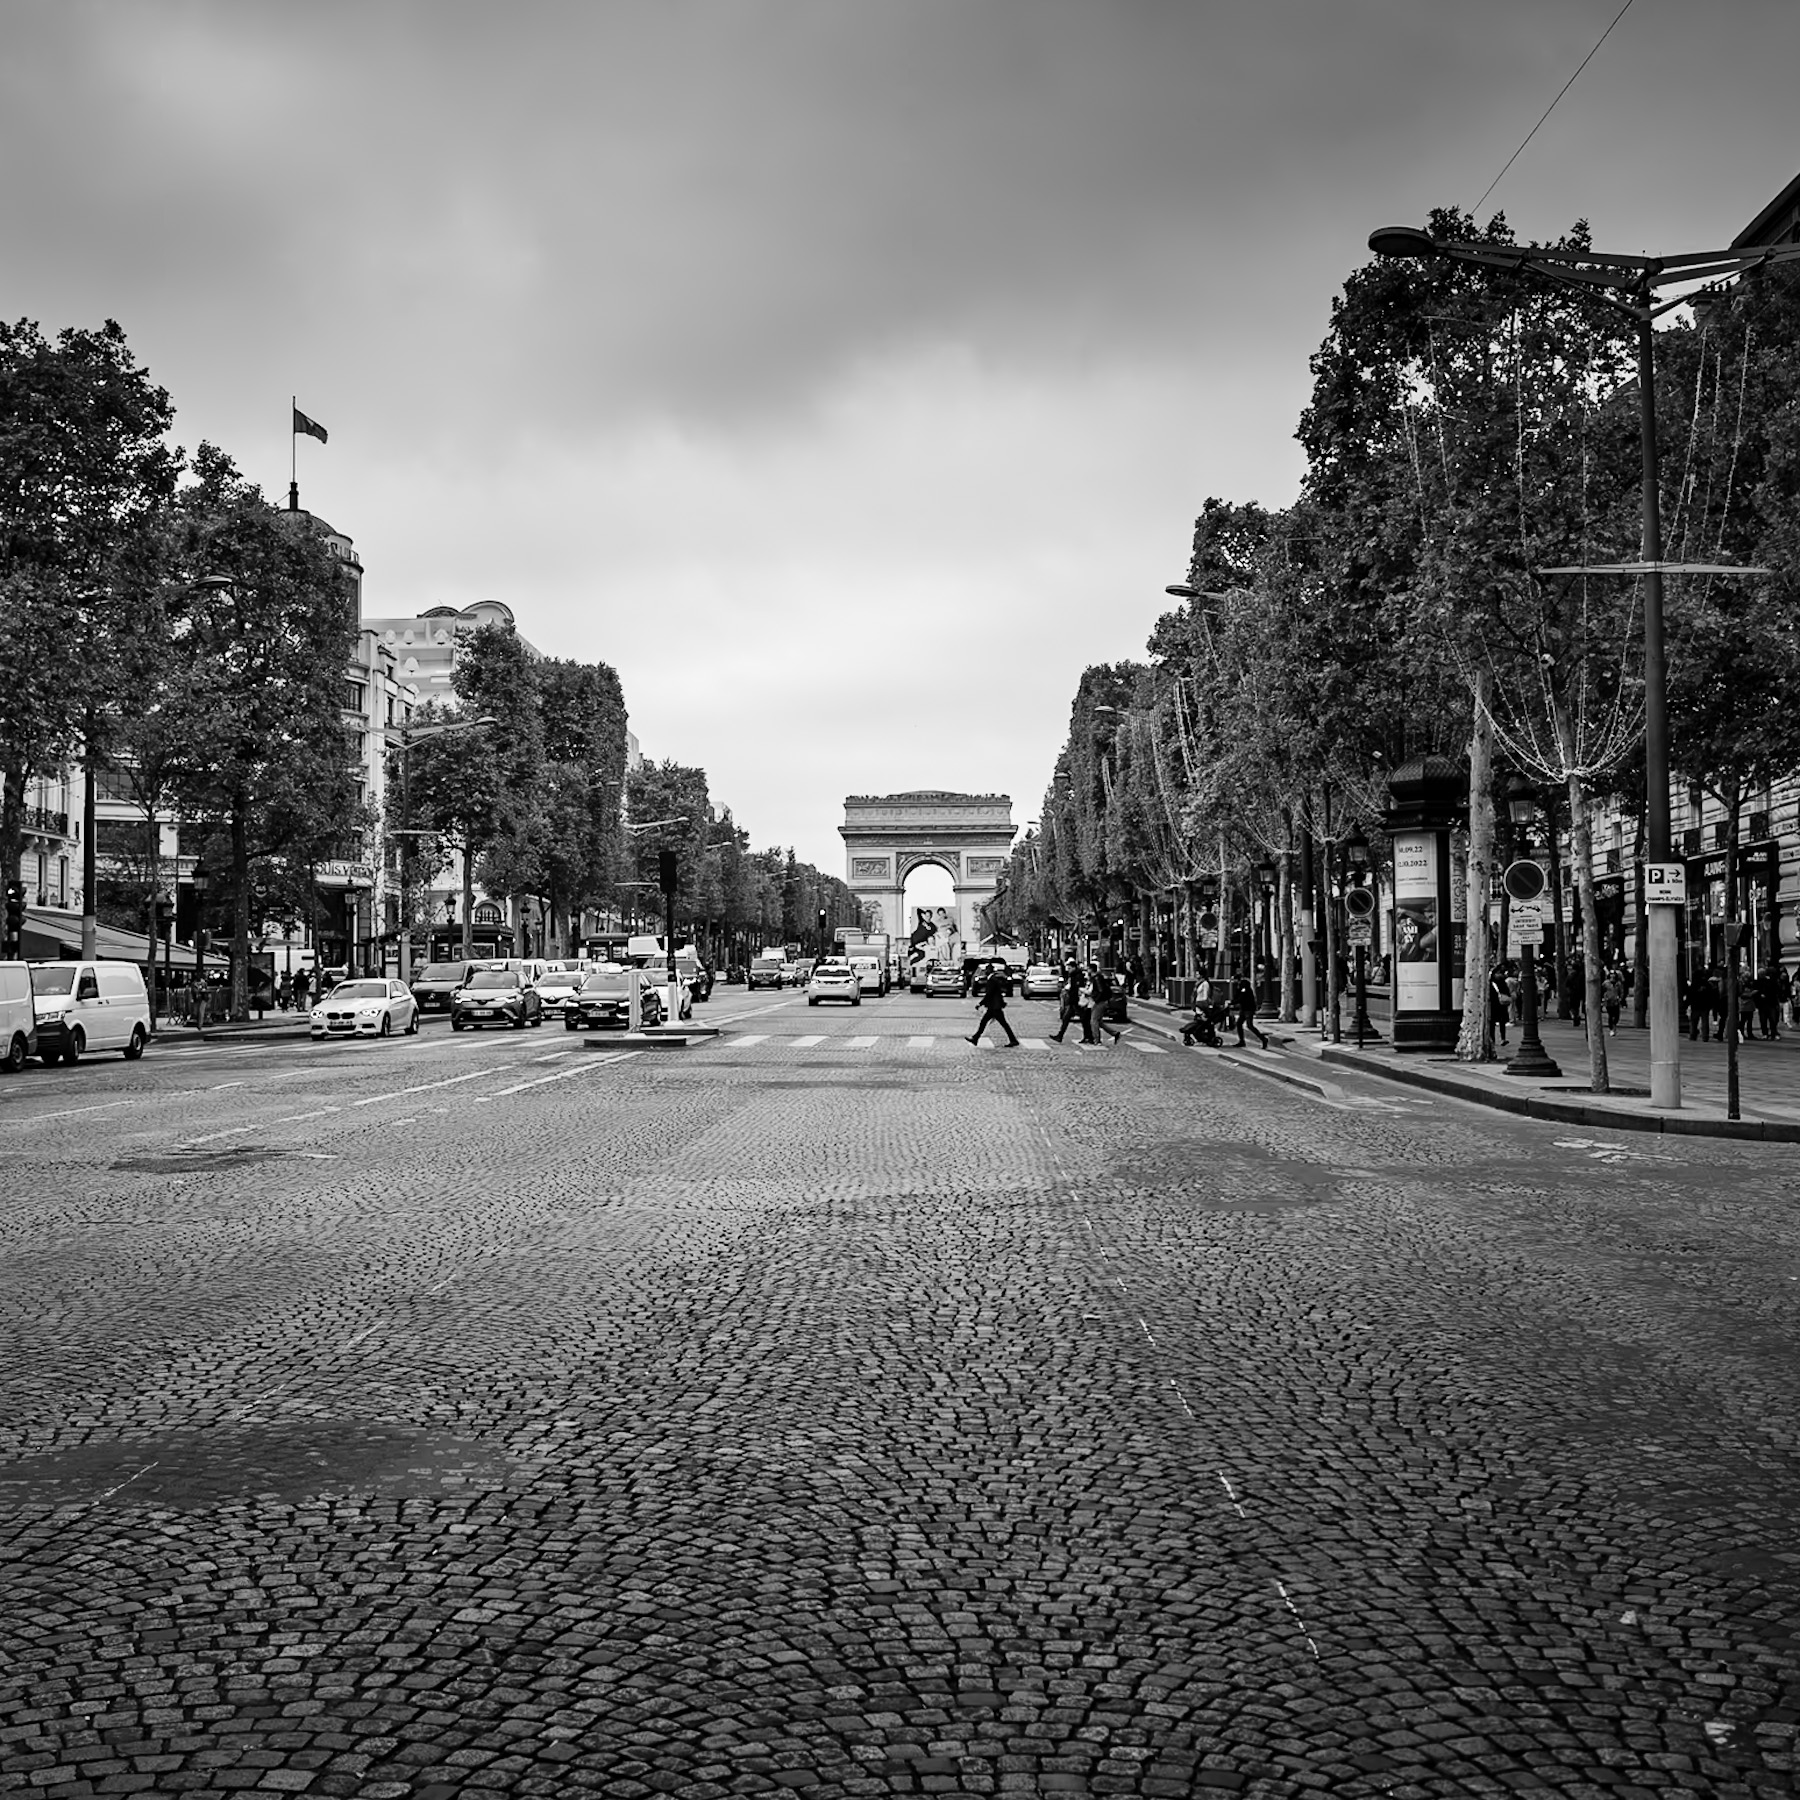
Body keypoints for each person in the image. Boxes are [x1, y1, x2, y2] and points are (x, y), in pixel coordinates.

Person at [967, 963, 1019, 1048]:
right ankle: (975, 1038)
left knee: (999, 1024)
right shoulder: (993, 979)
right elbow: (997, 993)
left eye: (986, 970)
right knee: (987, 1023)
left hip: (994, 1007)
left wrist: (980, 1003)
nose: (985, 972)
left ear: (989, 971)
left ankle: (1013, 1040)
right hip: (994, 1006)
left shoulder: (992, 980)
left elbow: (989, 994)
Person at [1231, 972, 1268, 1049]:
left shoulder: (1244, 985)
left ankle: (1263, 1039)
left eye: (1234, 980)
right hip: (1244, 1008)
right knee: (1239, 1023)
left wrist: (1233, 1002)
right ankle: (1241, 1041)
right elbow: (1237, 996)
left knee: (1249, 1025)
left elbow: (1242, 996)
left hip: (1248, 1008)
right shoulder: (1238, 986)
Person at [1087, 964, 1123, 1045]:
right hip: (1102, 1001)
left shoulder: (1097, 978)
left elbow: (1100, 990)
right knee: (1099, 1022)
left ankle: (1097, 1040)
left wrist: (1096, 999)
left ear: (1091, 969)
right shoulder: (1098, 977)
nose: (1087, 970)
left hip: (1100, 1001)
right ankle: (1115, 1033)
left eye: (1088, 969)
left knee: (1094, 1021)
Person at [1488, 961, 1511, 1047]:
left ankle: (1500, 1038)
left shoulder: (1497, 983)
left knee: (1499, 1022)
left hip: (1498, 1005)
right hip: (1496, 1005)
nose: (1499, 975)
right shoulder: (1498, 983)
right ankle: (1496, 1039)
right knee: (1494, 1023)